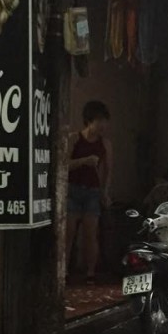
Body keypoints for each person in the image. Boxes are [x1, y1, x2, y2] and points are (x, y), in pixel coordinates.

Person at [67, 101, 113, 285]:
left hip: (93, 192)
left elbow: (108, 171)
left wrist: (105, 192)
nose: (102, 125)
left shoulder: (105, 144)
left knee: (90, 234)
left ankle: (90, 274)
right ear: (89, 120)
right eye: (99, 121)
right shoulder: (74, 139)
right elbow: (63, 165)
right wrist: (84, 161)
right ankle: (63, 272)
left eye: (105, 121)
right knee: (68, 234)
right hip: (72, 190)